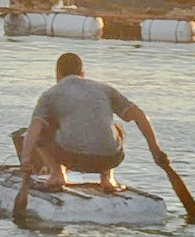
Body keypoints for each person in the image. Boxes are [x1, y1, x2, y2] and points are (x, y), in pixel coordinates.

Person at [15, 52, 165, 193]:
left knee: (43, 126)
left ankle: (57, 175)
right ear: (82, 74)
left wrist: (26, 159)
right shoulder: (105, 89)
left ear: (57, 74)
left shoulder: (50, 95)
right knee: (117, 129)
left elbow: (34, 130)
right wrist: (155, 150)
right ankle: (107, 179)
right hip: (110, 159)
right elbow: (139, 116)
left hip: (71, 158)